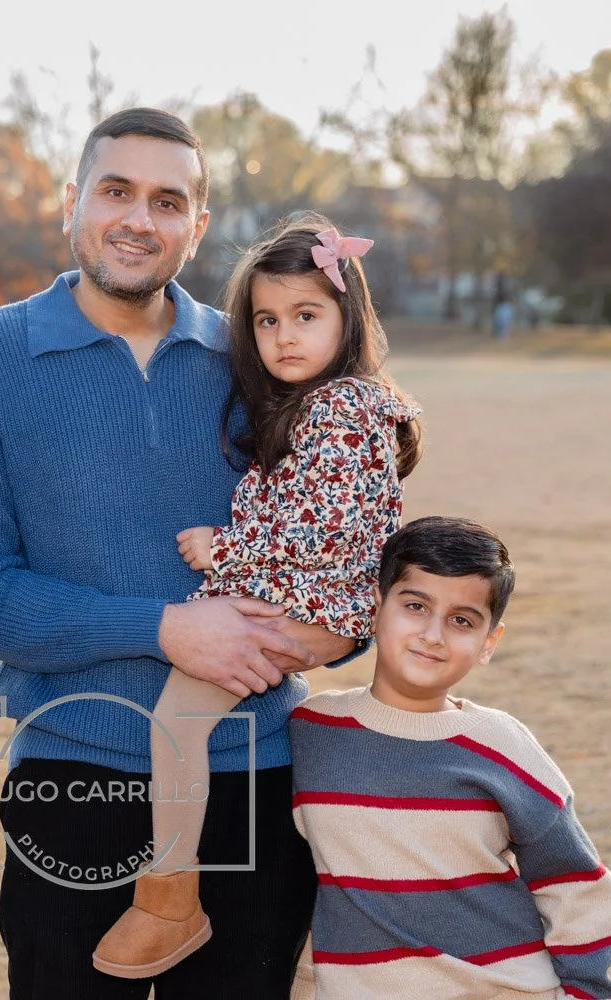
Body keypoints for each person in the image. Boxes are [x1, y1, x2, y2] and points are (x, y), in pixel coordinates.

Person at [0, 108, 365, 1000]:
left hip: (257, 766)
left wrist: (326, 637)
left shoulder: (261, 350)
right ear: (71, 203)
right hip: (73, 769)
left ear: (197, 227)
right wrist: (163, 628)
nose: (139, 219)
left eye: (169, 201)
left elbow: (348, 541)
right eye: (115, 191)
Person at [92, 217, 422, 978]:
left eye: (306, 316)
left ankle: (169, 900)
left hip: (304, 600)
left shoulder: (341, 409)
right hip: (305, 597)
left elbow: (321, 528)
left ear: (348, 320)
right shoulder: (324, 405)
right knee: (187, 724)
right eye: (267, 321)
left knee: (176, 724)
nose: (284, 337)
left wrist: (224, 547)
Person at [289, 516, 611, 1000]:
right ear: (374, 606)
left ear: (489, 642)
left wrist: (586, 992)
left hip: (503, 988)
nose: (433, 634)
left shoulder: (500, 744)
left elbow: (573, 880)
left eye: (462, 620)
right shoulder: (311, 730)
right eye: (415, 606)